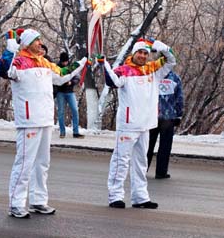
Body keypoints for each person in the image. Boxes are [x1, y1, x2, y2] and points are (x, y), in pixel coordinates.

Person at [0, 29, 87, 218]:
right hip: (29, 120)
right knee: (24, 163)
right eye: (37, 40)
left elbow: (63, 74)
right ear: (28, 43)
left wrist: (82, 62)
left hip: (46, 119)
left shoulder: (45, 63)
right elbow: (4, 70)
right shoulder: (19, 62)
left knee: (42, 163)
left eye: (40, 40)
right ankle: (16, 203)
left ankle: (38, 200)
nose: (40, 43)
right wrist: (10, 47)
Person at [101, 38, 176, 209]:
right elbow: (112, 82)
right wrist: (104, 64)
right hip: (128, 125)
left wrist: (161, 46)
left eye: (145, 53)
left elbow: (172, 59)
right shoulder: (123, 71)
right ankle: (115, 196)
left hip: (146, 125)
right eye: (139, 52)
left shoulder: (153, 70)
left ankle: (140, 197)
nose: (142, 56)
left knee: (141, 162)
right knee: (121, 161)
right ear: (133, 53)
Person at [147, 71, 184, 179]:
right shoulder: (175, 78)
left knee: (147, 145)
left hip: (152, 116)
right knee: (165, 146)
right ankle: (161, 172)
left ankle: (142, 169)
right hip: (168, 118)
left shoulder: (151, 75)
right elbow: (179, 98)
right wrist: (178, 115)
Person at [56, 52, 84, 138]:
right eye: (63, 62)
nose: (65, 63)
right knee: (61, 112)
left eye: (66, 61)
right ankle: (62, 131)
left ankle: (76, 131)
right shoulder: (57, 68)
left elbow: (77, 77)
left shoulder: (71, 67)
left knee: (75, 110)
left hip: (70, 91)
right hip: (60, 92)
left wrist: (71, 82)